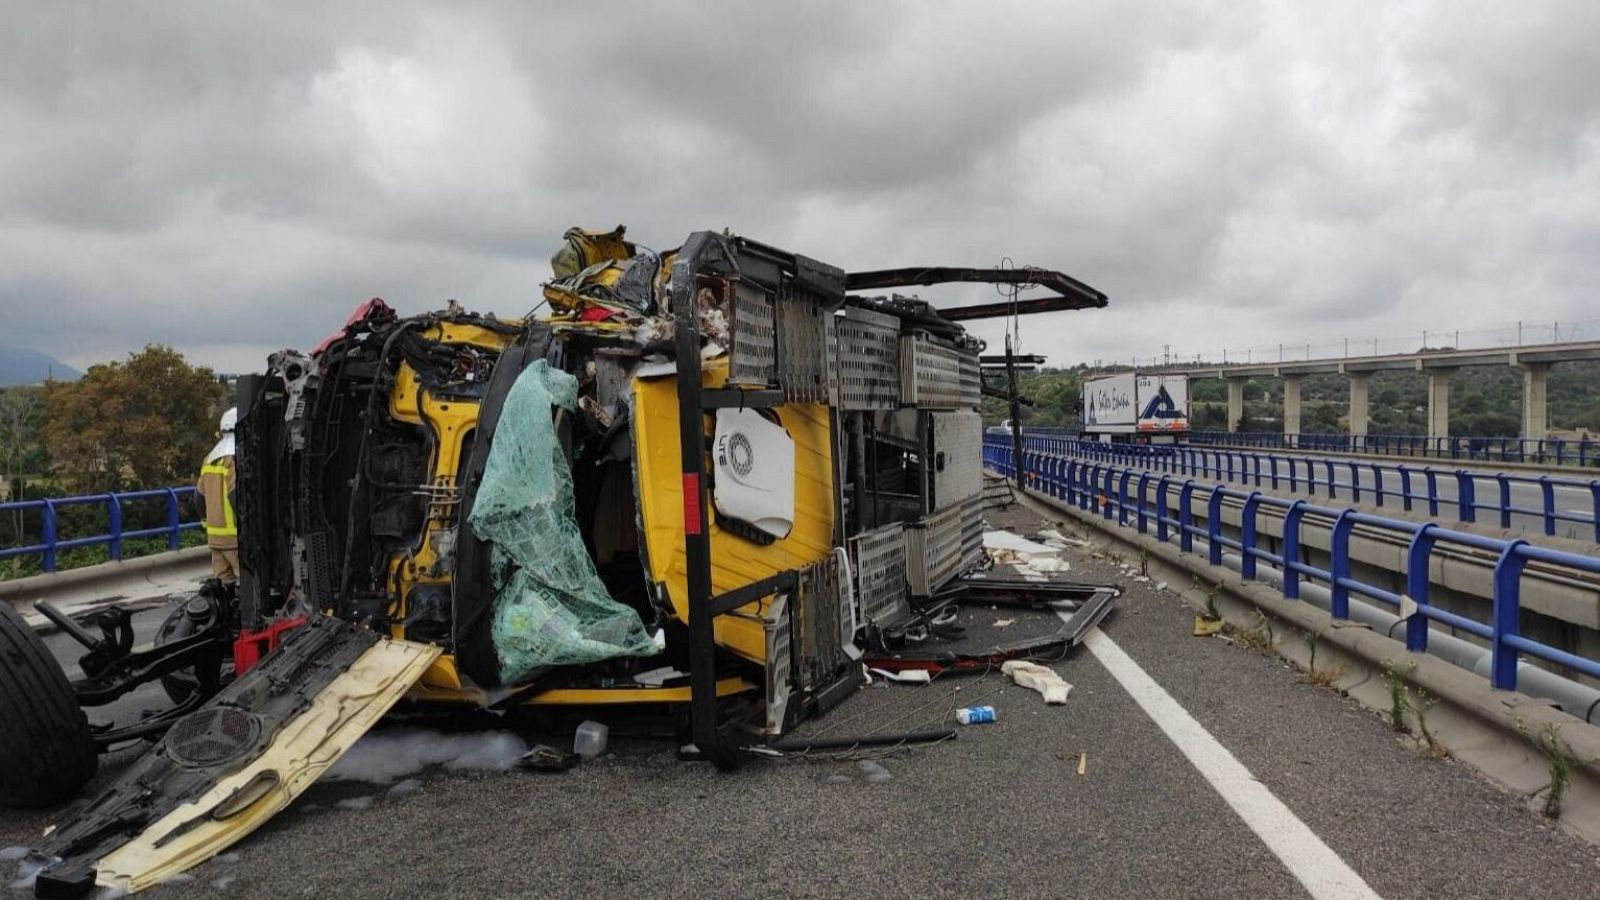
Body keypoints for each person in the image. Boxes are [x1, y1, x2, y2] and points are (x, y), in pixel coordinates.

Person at [197, 408, 239, 582]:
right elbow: (235, 495)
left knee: (222, 589)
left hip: (215, 538)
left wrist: (206, 523)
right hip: (235, 539)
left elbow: (198, 496)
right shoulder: (234, 458)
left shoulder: (209, 458)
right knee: (248, 591)